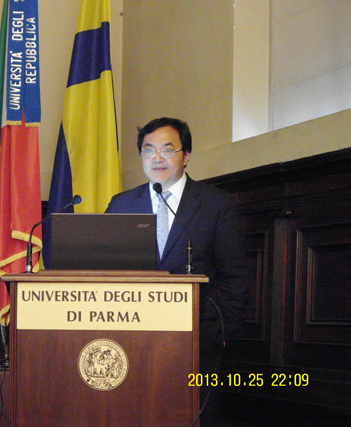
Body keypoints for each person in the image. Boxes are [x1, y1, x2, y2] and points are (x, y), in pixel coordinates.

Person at [105, 117, 248, 377]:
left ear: (186, 156)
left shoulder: (216, 205)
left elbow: (235, 276)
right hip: (129, 334)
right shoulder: (121, 204)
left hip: (197, 336)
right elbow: (104, 268)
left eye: (167, 150)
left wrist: (222, 331)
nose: (157, 158)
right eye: (149, 151)